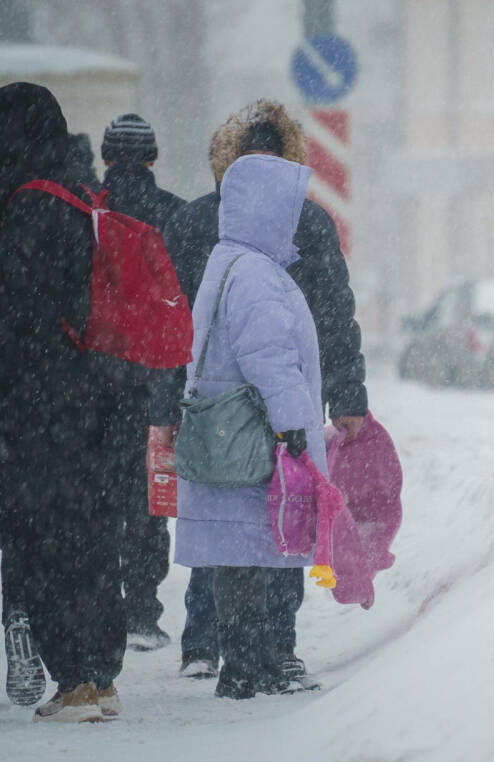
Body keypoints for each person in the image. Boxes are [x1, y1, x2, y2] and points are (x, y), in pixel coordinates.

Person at [156, 99, 367, 682]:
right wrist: (297, 424)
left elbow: (333, 318)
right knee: (257, 534)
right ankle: (242, 655)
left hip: (226, 415)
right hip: (257, 419)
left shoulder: (243, 243)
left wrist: (348, 395)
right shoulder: (246, 257)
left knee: (251, 532)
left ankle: (252, 650)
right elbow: (267, 353)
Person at [175, 152, 325, 699]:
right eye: (288, 207)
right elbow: (269, 358)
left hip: (229, 435)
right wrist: (293, 426)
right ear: (265, 209)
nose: (294, 219)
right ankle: (247, 666)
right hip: (254, 439)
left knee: (240, 558)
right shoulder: (257, 275)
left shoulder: (229, 260)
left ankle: (244, 662)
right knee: (250, 560)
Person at [0, 82, 127, 721]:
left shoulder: (25, 206)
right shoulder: (84, 197)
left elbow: (18, 316)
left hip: (38, 401)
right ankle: (101, 677)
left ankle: (73, 679)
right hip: (96, 393)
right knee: (91, 534)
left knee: (44, 536)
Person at [99, 112, 186, 651]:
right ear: (153, 158)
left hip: (96, 379)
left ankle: (102, 602)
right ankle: (141, 611)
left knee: (97, 494)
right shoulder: (175, 216)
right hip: (159, 378)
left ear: (107, 157)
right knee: (150, 498)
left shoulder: (86, 209)